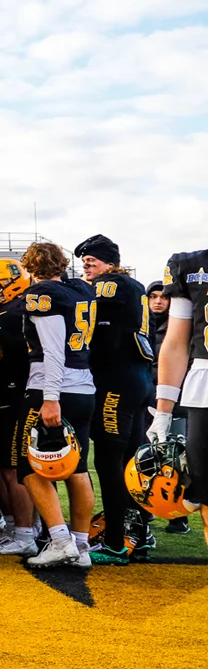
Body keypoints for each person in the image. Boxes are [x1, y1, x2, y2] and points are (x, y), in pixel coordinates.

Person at [73, 235, 153, 564]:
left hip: (116, 379)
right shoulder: (133, 285)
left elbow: (101, 336)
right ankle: (139, 534)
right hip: (137, 378)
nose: (86, 266)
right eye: (85, 262)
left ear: (108, 262)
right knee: (131, 461)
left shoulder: (109, 284)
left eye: (91, 261)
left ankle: (116, 542)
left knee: (109, 461)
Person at [19, 242, 97, 570]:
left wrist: (51, 398)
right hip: (84, 387)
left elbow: (52, 350)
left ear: (30, 266)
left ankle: (62, 540)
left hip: (52, 388)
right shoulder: (79, 289)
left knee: (29, 469)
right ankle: (81, 546)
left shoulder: (43, 294)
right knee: (77, 468)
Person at [0, 260, 38, 557]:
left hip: (14, 394)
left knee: (13, 469)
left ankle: (27, 531)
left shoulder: (21, 309)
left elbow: (20, 348)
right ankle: (15, 523)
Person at [151, 250, 208, 527]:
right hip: (205, 387)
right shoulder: (191, 266)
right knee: (206, 495)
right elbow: (175, 343)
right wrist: (163, 413)